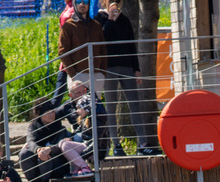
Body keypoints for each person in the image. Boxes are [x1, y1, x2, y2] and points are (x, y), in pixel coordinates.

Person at [96, 1, 157, 156]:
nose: (115, 4)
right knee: (111, 106)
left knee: (134, 104)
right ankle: (116, 145)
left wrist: (136, 69)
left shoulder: (125, 19)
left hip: (127, 67)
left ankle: (142, 144)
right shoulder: (99, 19)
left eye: (118, 1)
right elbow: (102, 40)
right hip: (108, 68)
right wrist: (110, 19)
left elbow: (131, 46)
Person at [18, 99, 72, 182]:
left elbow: (60, 144)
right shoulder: (33, 127)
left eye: (52, 112)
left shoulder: (60, 128)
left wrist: (49, 149)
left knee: (44, 155)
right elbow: (30, 141)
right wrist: (38, 149)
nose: (51, 115)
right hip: (38, 159)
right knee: (24, 154)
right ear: (40, 115)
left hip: (55, 164)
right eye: (47, 113)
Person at [58, 0, 107, 90]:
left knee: (96, 103)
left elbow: (103, 50)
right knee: (80, 103)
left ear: (89, 4)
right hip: (78, 75)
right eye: (79, 1)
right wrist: (73, 74)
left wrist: (102, 73)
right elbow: (62, 51)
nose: (82, 4)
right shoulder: (68, 26)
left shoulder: (96, 25)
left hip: (96, 75)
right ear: (74, 4)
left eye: (85, 1)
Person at [51, 0, 75, 106]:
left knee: (76, 91)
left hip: (73, 56)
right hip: (66, 55)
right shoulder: (67, 6)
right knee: (59, 90)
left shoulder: (75, 7)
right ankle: (50, 116)